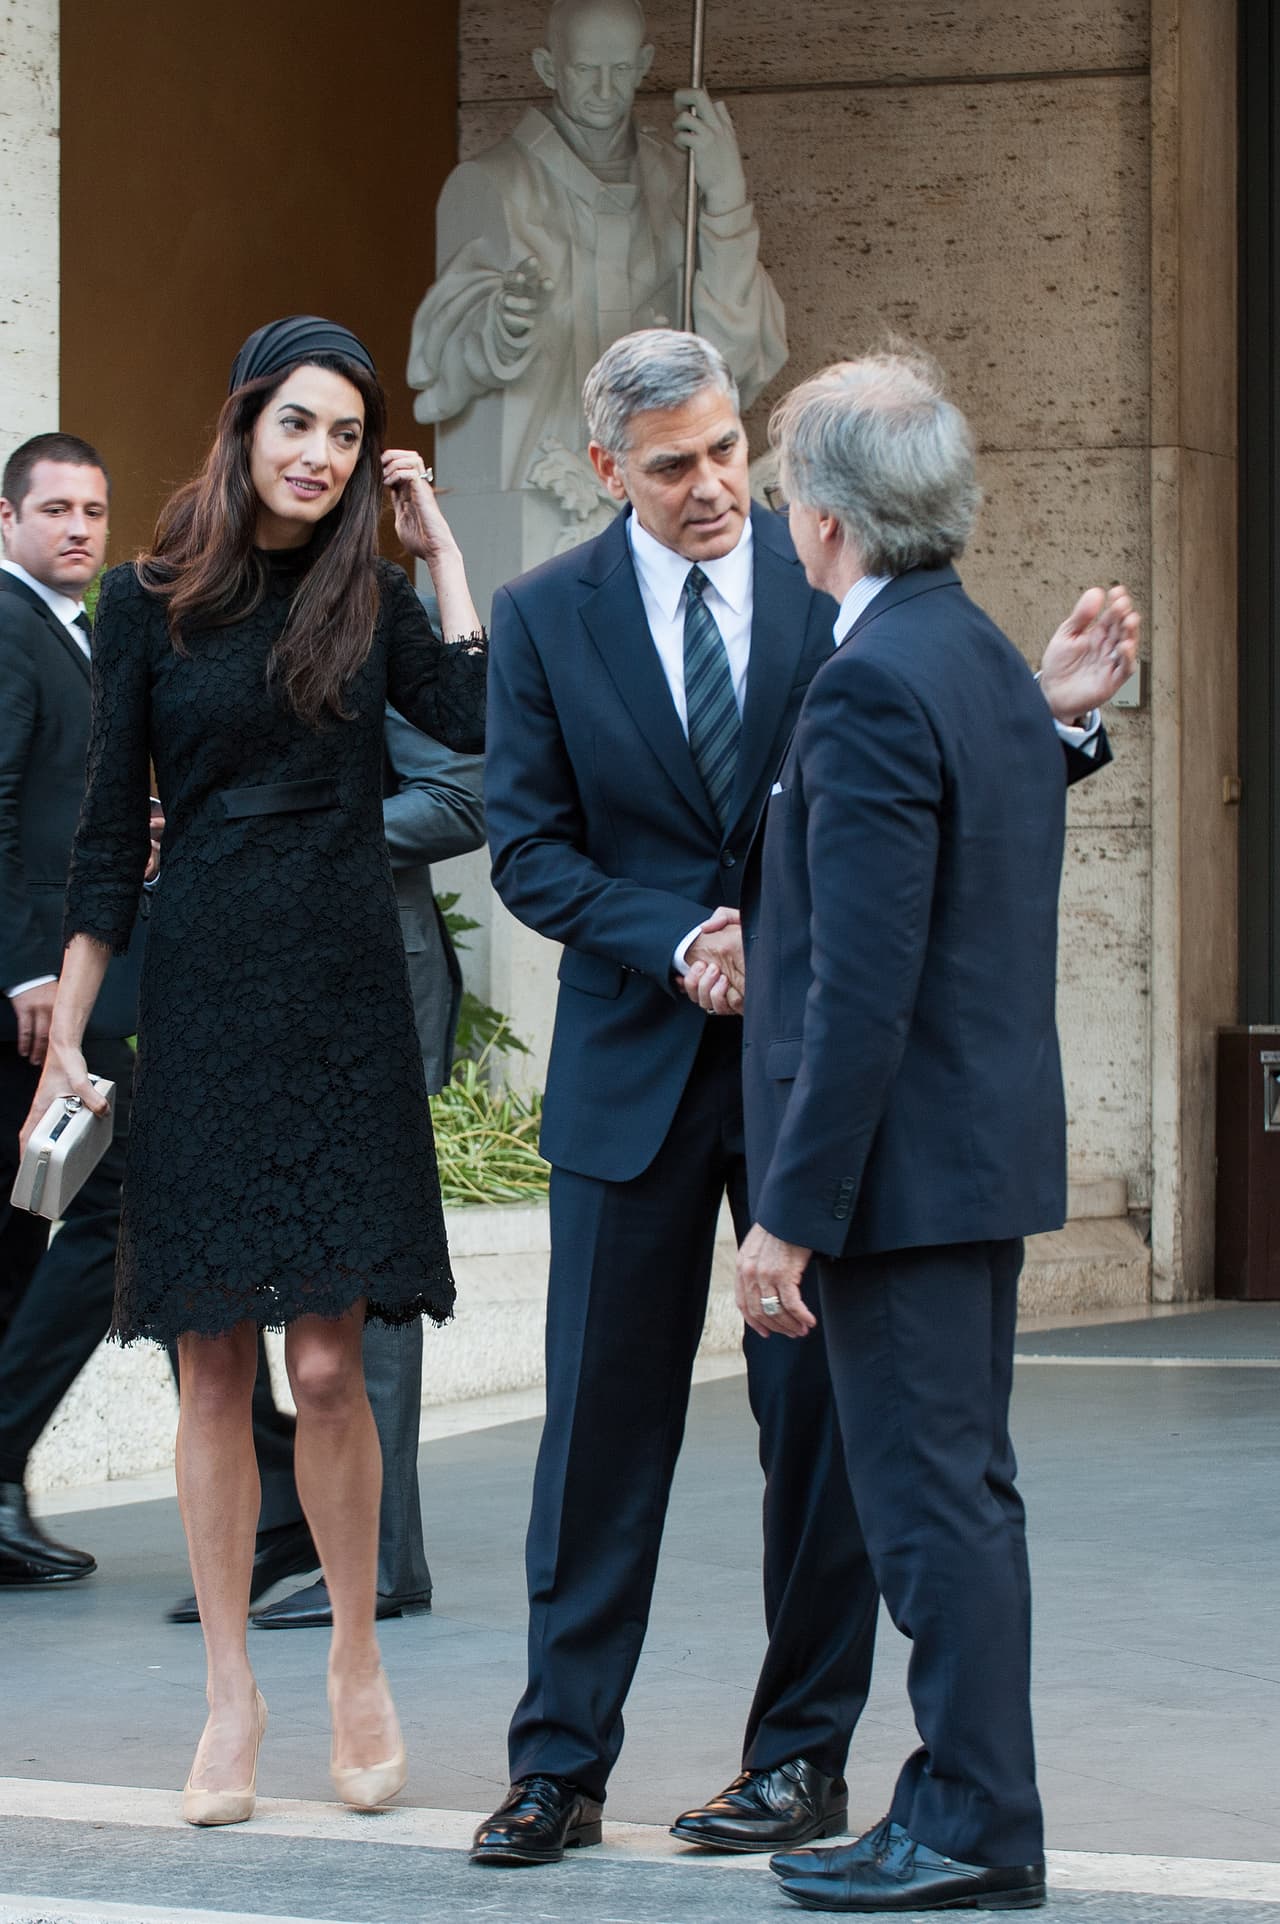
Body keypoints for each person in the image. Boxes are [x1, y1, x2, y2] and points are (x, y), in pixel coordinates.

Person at [474, 327, 1137, 1866]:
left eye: (727, 451)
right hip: (640, 1070)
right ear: (608, 470)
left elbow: (923, 799)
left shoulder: (839, 575)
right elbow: (527, 848)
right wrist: (682, 939)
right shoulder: (542, 615)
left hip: (828, 1086)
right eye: (674, 466)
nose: (715, 486)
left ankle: (797, 1760)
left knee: (832, 1443)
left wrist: (1048, 719)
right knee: (596, 1436)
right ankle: (558, 1762)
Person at [20, 316, 486, 1828]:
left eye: (348, 435)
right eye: (300, 423)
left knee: (334, 1364)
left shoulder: (370, 593)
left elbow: (478, 722)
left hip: (341, 996)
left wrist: (438, 551)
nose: (321, 455)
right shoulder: (143, 605)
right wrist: (69, 1032)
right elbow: (107, 836)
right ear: (245, 426)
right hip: (206, 993)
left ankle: (355, 1657)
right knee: (213, 1363)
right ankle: (230, 1692)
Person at [741, 351, 1067, 1913]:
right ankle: (969, 1807)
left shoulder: (870, 681)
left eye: (782, 487)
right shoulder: (982, 654)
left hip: (900, 1179)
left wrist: (789, 1216)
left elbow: (858, 988)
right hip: (964, 1159)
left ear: (827, 520)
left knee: (933, 1511)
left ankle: (974, 1823)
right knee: (958, 1497)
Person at [166, 717, 486, 1629]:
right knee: (211, 1275)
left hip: (363, 978)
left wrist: (291, 840)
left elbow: (462, 796)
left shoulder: (368, 635)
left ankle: (381, 1563)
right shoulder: (195, 646)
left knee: (360, 1263)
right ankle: (285, 1518)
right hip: (232, 990)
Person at [408, 0, 786, 499]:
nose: (605, 90)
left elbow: (737, 357)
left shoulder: (681, 181)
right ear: (548, 67)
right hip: (541, 491)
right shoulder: (490, 183)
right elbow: (445, 353)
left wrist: (726, 198)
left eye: (621, 69)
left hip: (662, 483)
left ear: (645, 63)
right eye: (586, 69)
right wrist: (503, 326)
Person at [0, 433, 144, 1586]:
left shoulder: (74, 631)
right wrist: (27, 973)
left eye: (94, 510)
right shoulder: (9, 629)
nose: (80, 528)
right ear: (7, 520)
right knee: (112, 1210)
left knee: (22, 1238)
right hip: (34, 1004)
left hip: (64, 990)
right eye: (55, 509)